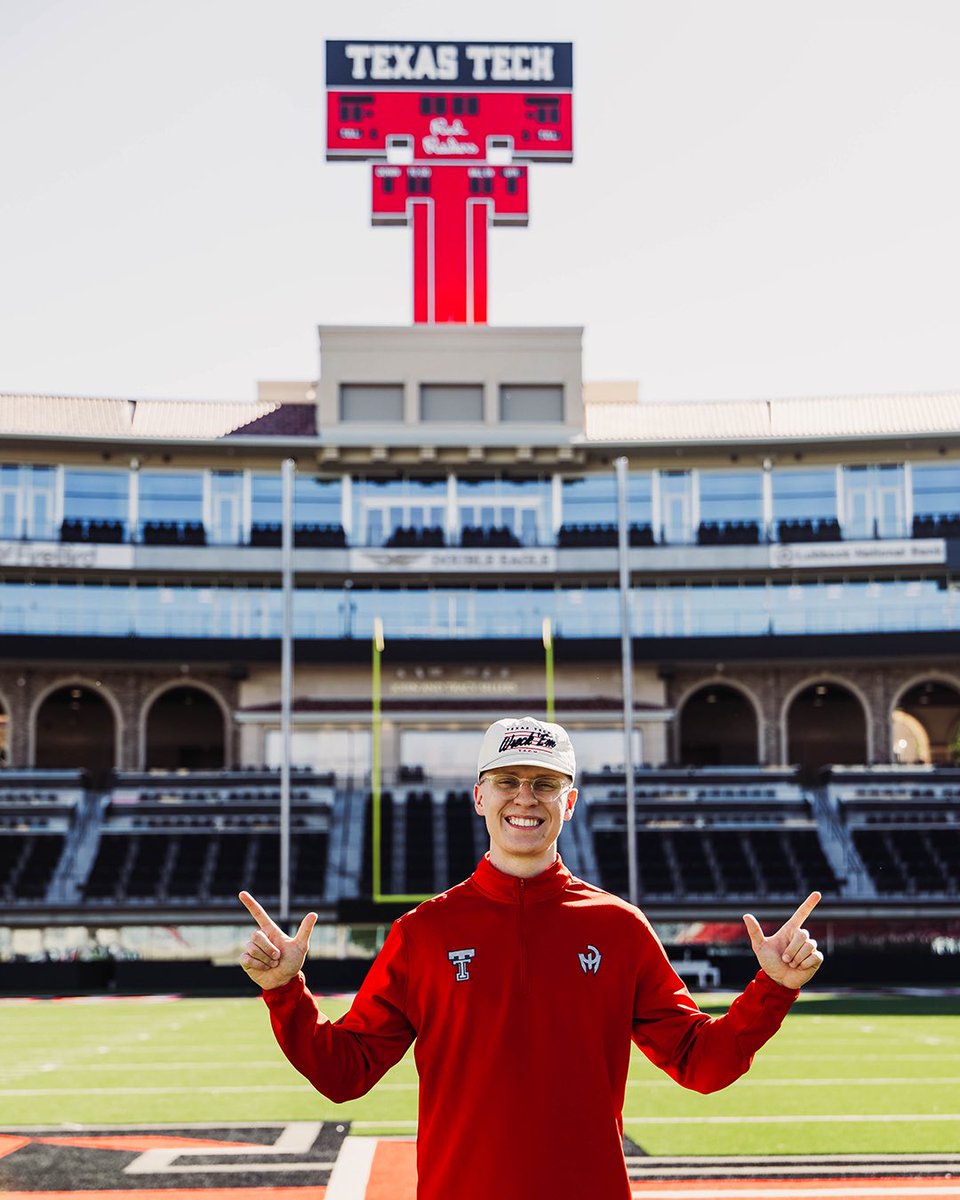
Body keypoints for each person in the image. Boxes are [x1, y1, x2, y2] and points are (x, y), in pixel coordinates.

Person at [239, 715, 823, 1200]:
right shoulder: (422, 931)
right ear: (479, 796)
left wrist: (773, 988)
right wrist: (286, 991)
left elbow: (703, 1064)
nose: (525, 797)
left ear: (569, 802)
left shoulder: (618, 927)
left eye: (545, 783)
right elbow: (346, 1073)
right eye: (508, 780)